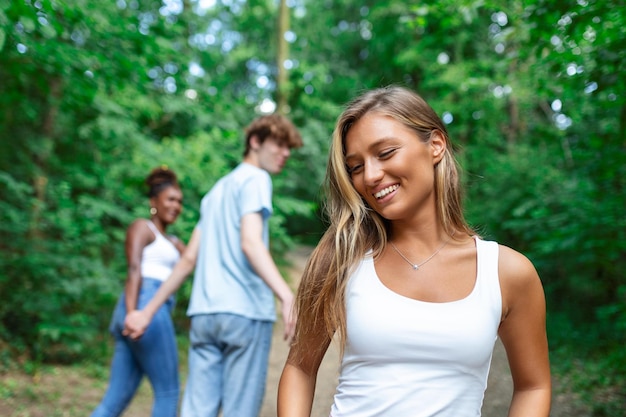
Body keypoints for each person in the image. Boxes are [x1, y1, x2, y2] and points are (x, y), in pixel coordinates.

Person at [277, 86, 551, 417]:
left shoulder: (507, 272)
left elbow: (534, 386)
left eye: (386, 152)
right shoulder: (341, 257)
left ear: (436, 145)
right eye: (356, 166)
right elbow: (300, 368)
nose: (371, 176)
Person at [123, 114, 304, 417]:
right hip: (244, 314)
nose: (285, 153)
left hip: (205, 316)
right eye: (279, 145)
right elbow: (251, 242)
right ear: (255, 142)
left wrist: (145, 313)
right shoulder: (257, 179)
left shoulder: (216, 192)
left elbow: (188, 260)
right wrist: (286, 295)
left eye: (289, 148)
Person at [91, 166, 186, 417]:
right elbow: (134, 270)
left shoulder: (175, 243)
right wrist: (134, 314)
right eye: (170, 199)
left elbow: (196, 260)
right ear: (154, 202)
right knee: (168, 392)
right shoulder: (143, 227)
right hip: (144, 305)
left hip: (144, 309)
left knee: (115, 400)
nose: (176, 206)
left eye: (179, 201)